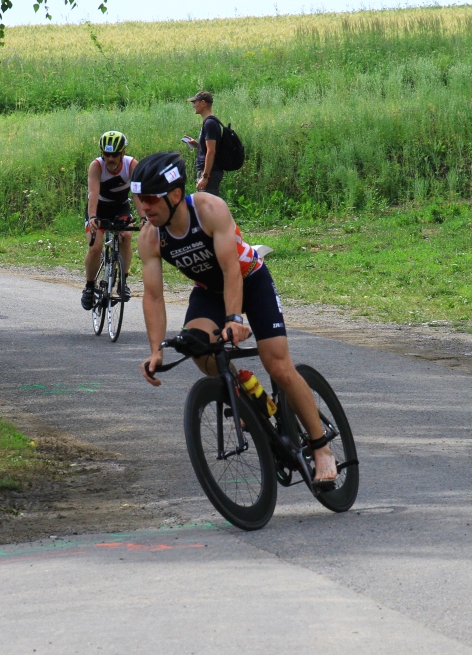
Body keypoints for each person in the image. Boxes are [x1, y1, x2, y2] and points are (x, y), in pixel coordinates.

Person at [132, 152, 338, 486]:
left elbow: (231, 270)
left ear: (174, 195)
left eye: (150, 199)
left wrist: (234, 319)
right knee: (198, 349)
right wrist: (156, 350)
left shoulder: (209, 209)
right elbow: (153, 296)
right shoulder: (150, 238)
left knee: (278, 365)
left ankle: (321, 447)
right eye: (139, 200)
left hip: (250, 279)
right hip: (208, 291)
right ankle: (252, 398)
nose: (144, 208)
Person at [81, 130, 137, 311]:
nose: (110, 158)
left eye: (115, 155)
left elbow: (138, 194)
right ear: (102, 153)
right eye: (106, 154)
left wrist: (145, 217)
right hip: (99, 209)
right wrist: (92, 217)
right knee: (95, 247)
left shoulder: (132, 165)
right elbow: (93, 194)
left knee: (126, 236)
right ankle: (90, 287)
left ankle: (123, 281)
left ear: (123, 153)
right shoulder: (96, 166)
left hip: (121, 207)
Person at [183, 91, 223, 196]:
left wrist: (205, 177)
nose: (193, 106)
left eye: (195, 102)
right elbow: (210, 148)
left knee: (206, 204)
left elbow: (211, 151)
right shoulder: (210, 122)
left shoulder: (210, 123)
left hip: (209, 172)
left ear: (203, 103)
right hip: (210, 172)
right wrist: (197, 145)